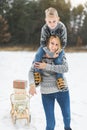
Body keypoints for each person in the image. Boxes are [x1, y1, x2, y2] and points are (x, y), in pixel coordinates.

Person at [28, 35, 72, 130]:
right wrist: (32, 85)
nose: (54, 46)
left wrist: (46, 66)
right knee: (50, 124)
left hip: (62, 90)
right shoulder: (40, 57)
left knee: (67, 117)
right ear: (47, 43)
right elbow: (31, 71)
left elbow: (65, 68)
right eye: (52, 43)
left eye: (57, 44)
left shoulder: (61, 55)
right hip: (47, 93)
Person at [33, 7, 67, 89]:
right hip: (46, 47)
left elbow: (64, 42)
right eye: (49, 22)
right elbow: (43, 42)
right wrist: (49, 53)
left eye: (54, 21)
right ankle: (37, 73)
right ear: (46, 20)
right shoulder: (44, 28)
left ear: (58, 19)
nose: (52, 24)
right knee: (38, 55)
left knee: (58, 60)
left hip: (58, 48)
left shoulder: (62, 27)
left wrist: (57, 52)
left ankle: (60, 78)